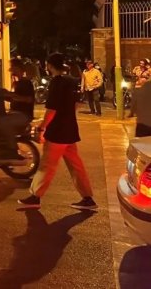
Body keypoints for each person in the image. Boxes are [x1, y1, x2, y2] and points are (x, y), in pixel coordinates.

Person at [19, 53, 97, 211]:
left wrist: (42, 127)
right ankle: (87, 198)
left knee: (47, 165)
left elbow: (52, 109)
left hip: (57, 132)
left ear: (50, 65)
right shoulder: (72, 80)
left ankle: (35, 196)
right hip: (70, 130)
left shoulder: (56, 83)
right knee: (76, 165)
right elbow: (77, 104)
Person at [0, 59, 34, 161]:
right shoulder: (16, 83)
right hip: (14, 113)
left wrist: (11, 95)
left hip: (23, 115)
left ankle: (13, 150)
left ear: (18, 69)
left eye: (12, 69)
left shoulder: (26, 83)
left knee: (2, 123)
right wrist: (3, 95)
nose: (11, 71)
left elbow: (28, 99)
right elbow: (13, 98)